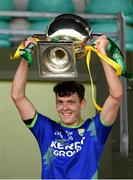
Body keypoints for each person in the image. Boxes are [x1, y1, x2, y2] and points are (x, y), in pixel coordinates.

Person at [11, 35, 123, 179]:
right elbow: (17, 96)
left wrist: (101, 53)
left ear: (82, 103)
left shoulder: (95, 129)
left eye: (70, 102)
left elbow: (116, 94)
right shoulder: (46, 129)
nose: (64, 107)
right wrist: (27, 56)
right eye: (60, 102)